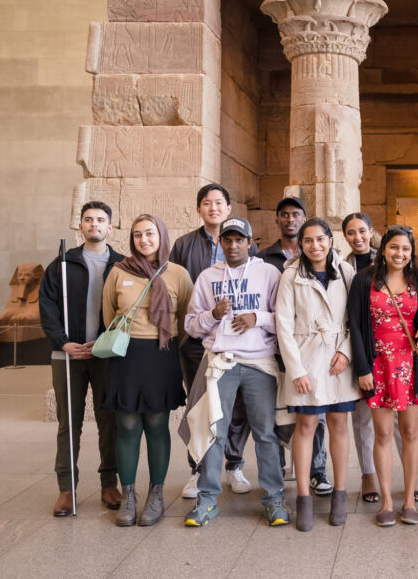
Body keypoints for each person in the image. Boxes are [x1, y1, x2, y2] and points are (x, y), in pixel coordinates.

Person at [180, 217, 289, 528]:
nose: (233, 245)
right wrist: (212, 315)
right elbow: (190, 325)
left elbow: (283, 316)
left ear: (250, 241)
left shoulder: (268, 273)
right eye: (227, 239)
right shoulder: (207, 277)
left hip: (259, 363)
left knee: (265, 433)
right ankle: (207, 500)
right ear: (220, 243)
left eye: (239, 239)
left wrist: (257, 318)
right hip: (221, 362)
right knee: (214, 431)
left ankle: (273, 498)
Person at [169, 183, 259, 499]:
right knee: (199, 407)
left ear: (228, 208)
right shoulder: (183, 245)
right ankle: (198, 469)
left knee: (236, 408)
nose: (213, 207)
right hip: (197, 341)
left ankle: (234, 465)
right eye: (206, 203)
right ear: (199, 209)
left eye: (219, 202)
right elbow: (177, 292)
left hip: (236, 341)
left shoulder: (245, 244)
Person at [102, 214, 193, 527]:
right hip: (125, 355)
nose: (144, 239)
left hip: (161, 355)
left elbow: (188, 319)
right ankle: (128, 496)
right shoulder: (118, 272)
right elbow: (107, 316)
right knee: (126, 425)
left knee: (156, 424)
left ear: (161, 235)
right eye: (138, 234)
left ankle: (156, 495)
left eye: (150, 233)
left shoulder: (178, 274)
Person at [38, 201, 125, 517]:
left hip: (106, 355)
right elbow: (46, 306)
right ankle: (66, 489)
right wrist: (64, 343)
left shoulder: (122, 264)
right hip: (67, 355)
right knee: (69, 422)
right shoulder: (62, 263)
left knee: (109, 420)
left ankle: (109, 483)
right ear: (80, 226)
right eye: (88, 220)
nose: (94, 225)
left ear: (110, 227)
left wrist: (107, 342)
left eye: (101, 220)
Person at [348, 225, 418, 526]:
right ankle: (386, 501)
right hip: (378, 366)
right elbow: (356, 327)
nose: (400, 253)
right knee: (383, 434)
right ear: (383, 249)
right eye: (394, 247)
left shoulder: (416, 282)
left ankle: (409, 500)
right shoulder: (364, 281)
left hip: (410, 365)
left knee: (410, 433)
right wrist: (362, 368)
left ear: (412, 254)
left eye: (406, 249)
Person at [276, 218, 359, 531]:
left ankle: (339, 493)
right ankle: (303, 497)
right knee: (306, 423)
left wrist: (347, 351)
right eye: (308, 241)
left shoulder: (346, 272)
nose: (315, 246)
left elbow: (357, 319)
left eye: (320, 239)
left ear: (330, 240)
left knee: (339, 422)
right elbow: (283, 325)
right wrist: (295, 369)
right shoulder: (290, 276)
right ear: (301, 244)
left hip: (338, 358)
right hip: (307, 357)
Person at [260, 196, 332, 497]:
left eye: (296, 214)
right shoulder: (265, 258)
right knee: (277, 416)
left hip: (315, 352)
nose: (290, 219)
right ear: (278, 219)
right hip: (277, 350)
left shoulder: (328, 262)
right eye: (284, 214)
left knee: (315, 414)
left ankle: (317, 471)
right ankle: (277, 473)